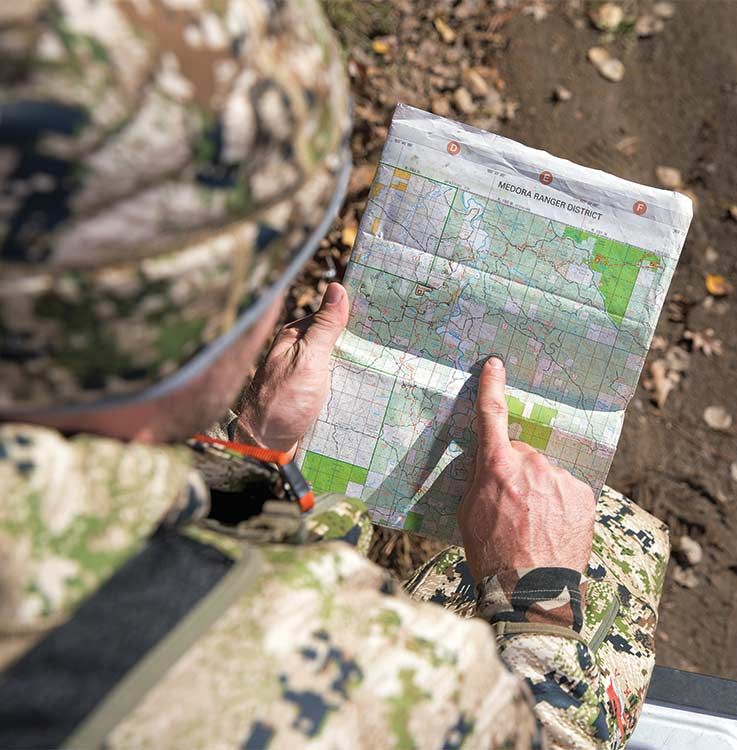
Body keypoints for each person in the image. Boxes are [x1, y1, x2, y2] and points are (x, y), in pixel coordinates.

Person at [0, 1, 670, 748]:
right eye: (279, 270)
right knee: (609, 540)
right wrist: (538, 606)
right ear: (210, 309)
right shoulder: (321, 677)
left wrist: (250, 458)